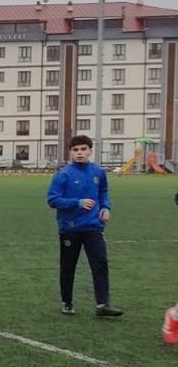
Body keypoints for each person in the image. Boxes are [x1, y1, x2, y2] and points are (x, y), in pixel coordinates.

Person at [47, 135, 122, 318]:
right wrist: (77, 202)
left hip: (93, 227)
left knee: (100, 264)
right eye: (75, 150)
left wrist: (105, 207)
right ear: (70, 152)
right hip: (70, 228)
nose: (79, 153)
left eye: (83, 149)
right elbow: (52, 199)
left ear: (89, 151)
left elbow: (103, 191)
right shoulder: (63, 174)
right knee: (68, 266)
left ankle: (102, 304)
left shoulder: (98, 172)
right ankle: (67, 302)